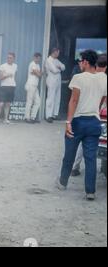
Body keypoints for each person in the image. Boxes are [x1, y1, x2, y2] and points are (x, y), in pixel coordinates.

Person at [56, 50, 107, 201]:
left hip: (78, 121)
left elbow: (73, 101)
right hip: (94, 122)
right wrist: (95, 111)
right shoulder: (103, 79)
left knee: (69, 154)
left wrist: (68, 122)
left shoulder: (78, 77)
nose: (79, 64)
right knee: (90, 158)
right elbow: (103, 99)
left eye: (80, 61)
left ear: (85, 62)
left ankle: (62, 182)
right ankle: (90, 191)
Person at [71, 53, 107, 177]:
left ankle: (75, 166)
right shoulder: (104, 79)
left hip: (88, 113)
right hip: (98, 114)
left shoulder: (92, 77)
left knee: (83, 142)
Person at [0, 52, 17, 126]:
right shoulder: (2, 66)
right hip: (4, 86)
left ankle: (5, 119)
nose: (9, 59)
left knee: (8, 104)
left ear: (13, 58)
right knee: (1, 104)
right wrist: (7, 75)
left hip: (12, 86)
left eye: (10, 58)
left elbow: (14, 76)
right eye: (8, 57)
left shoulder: (15, 66)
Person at [45, 48, 65, 123]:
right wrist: (59, 68)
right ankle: (48, 115)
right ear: (54, 52)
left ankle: (54, 114)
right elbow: (54, 70)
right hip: (51, 80)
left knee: (57, 97)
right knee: (50, 98)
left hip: (57, 80)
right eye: (57, 53)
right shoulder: (48, 60)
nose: (58, 54)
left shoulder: (56, 60)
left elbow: (63, 66)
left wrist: (59, 67)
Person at [24, 53, 42, 123]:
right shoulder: (32, 64)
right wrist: (38, 73)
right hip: (30, 84)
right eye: (37, 58)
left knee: (38, 102)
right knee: (29, 101)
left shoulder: (38, 65)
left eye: (39, 58)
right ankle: (27, 117)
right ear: (34, 57)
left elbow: (39, 74)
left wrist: (38, 73)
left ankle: (32, 117)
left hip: (35, 85)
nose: (38, 60)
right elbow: (39, 74)